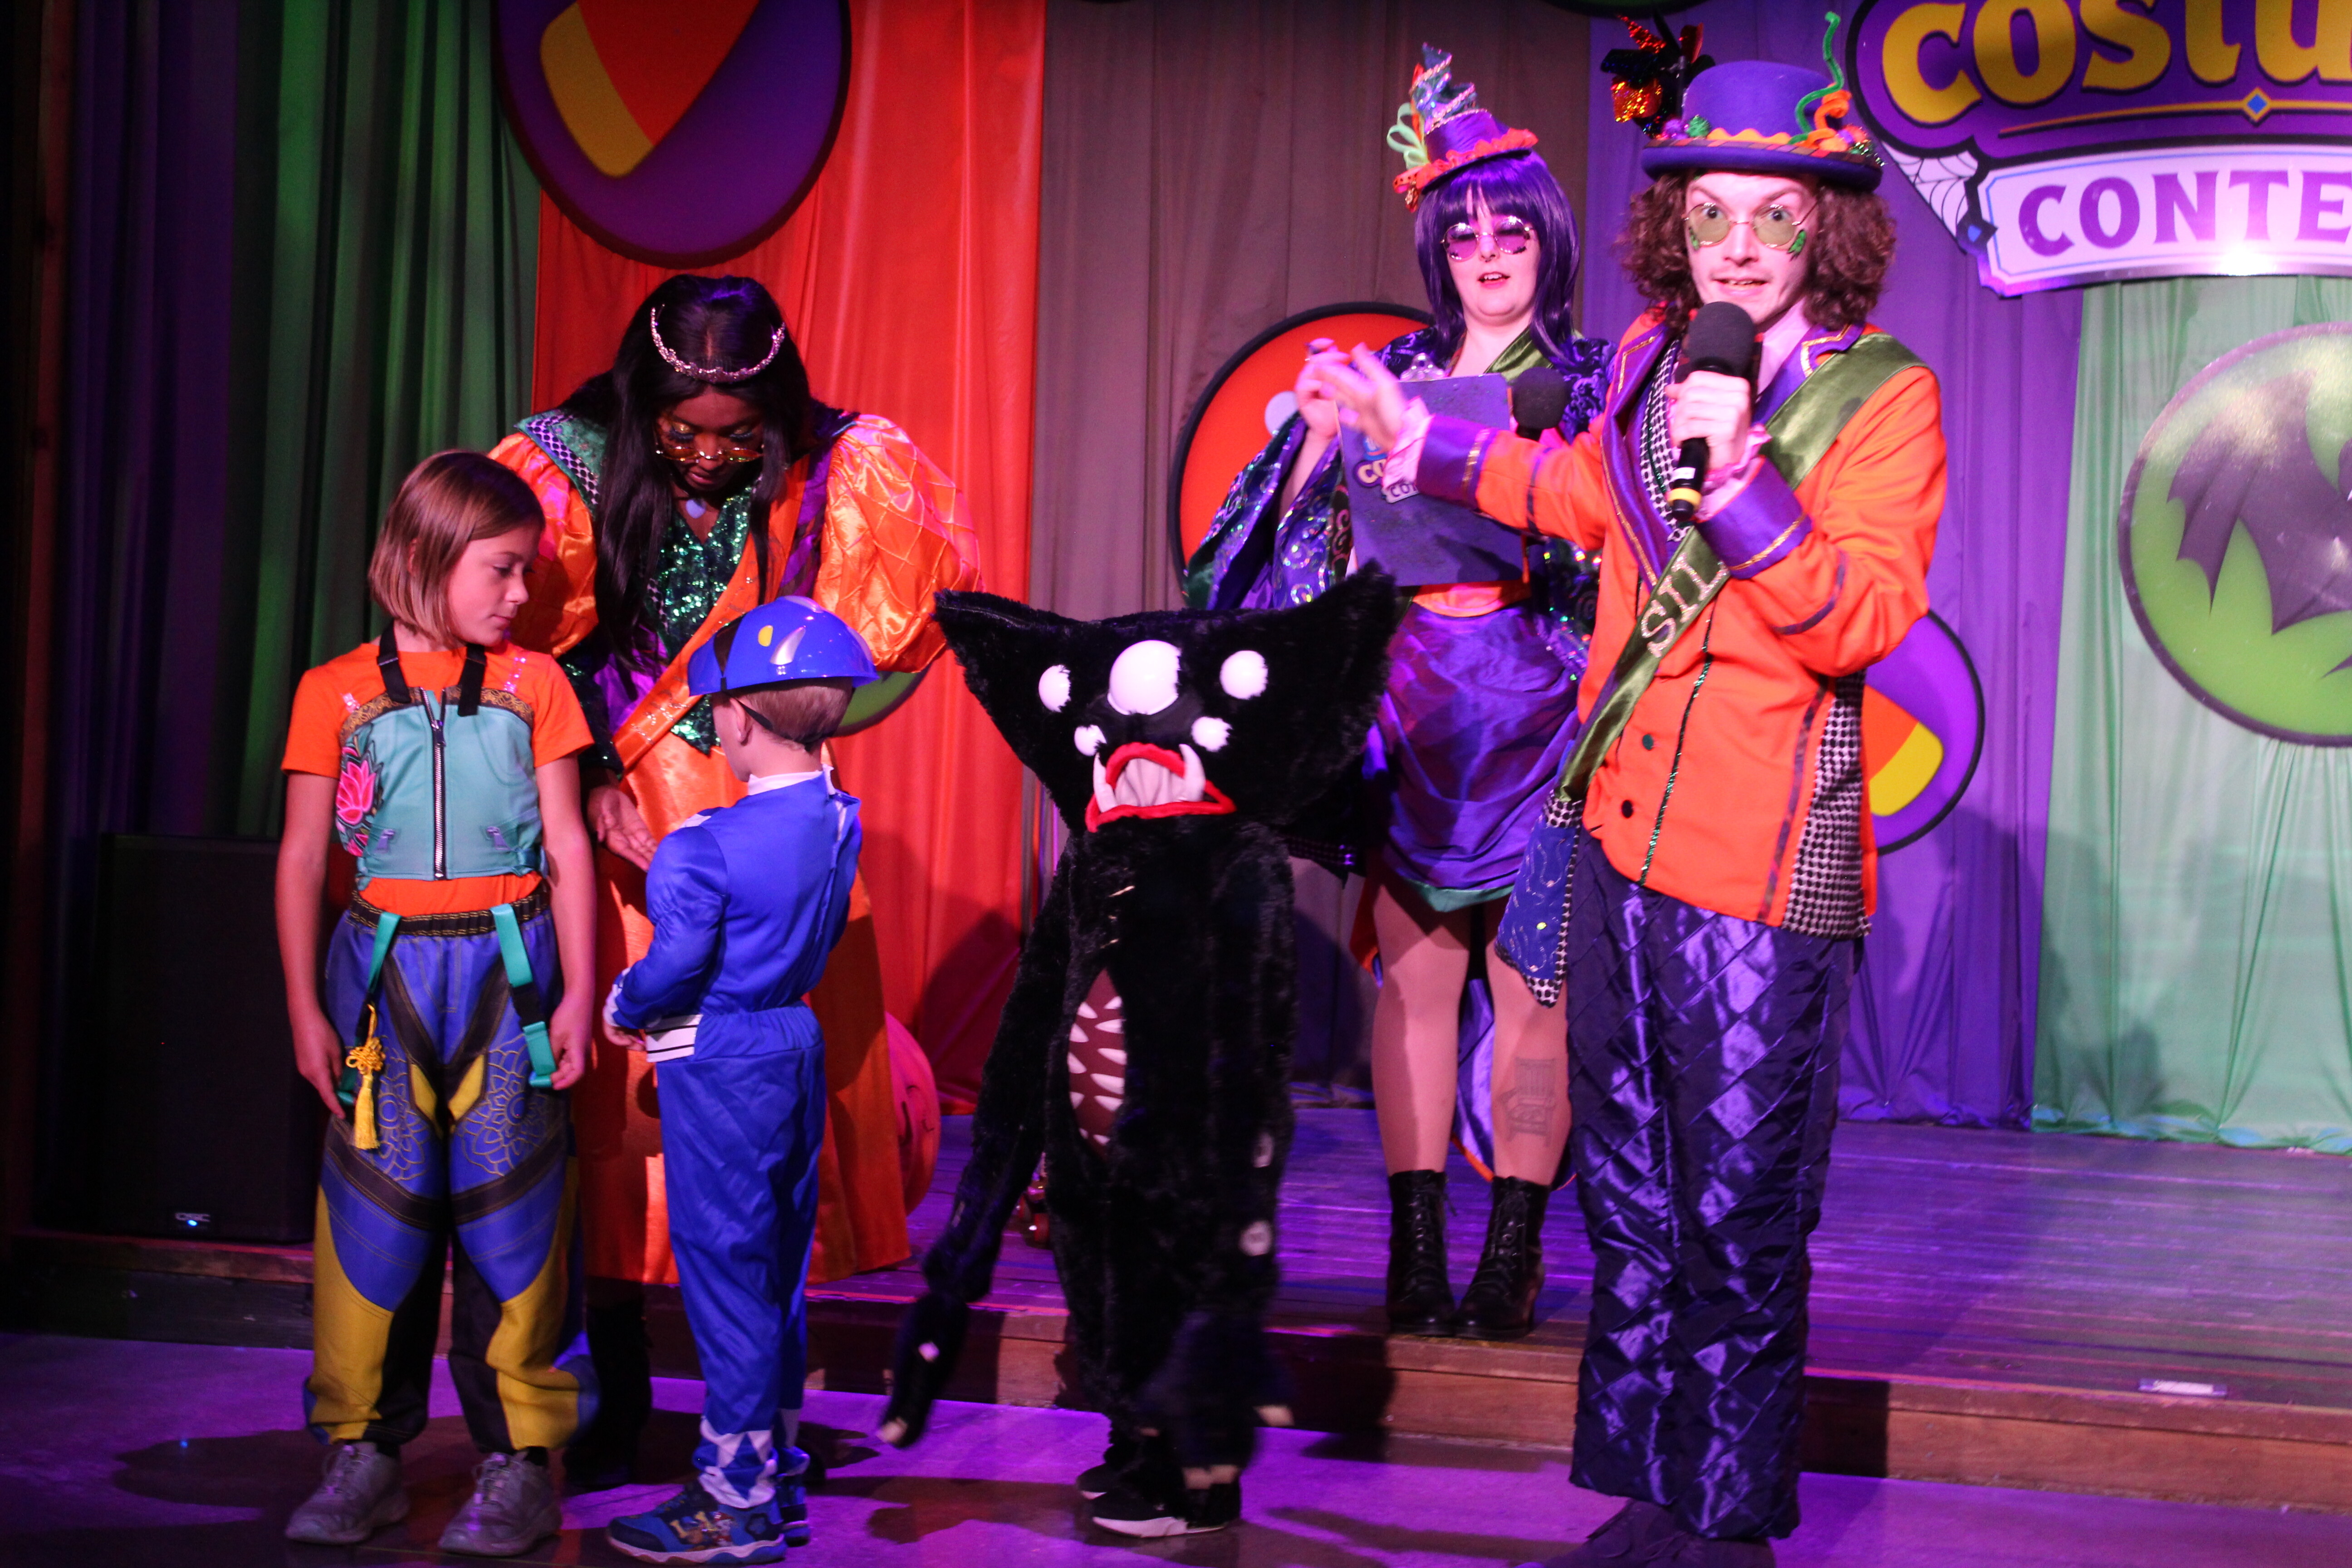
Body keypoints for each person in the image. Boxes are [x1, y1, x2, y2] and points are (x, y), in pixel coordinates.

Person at [1318, 56, 1944, 1566]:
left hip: (1766, 863)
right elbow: (1580, 498)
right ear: (1676, 224)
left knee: (1738, 1207)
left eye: (1776, 215)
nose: (1739, 245)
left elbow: (1861, 616)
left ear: (1829, 231)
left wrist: (1742, 488)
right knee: (1634, 1195)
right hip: (1619, 840)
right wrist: (1416, 441)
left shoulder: (1885, 397)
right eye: (1710, 211)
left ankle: (1728, 1521)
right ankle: (1654, 1495)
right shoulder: (1661, 352)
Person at [489, 274, 982, 1479]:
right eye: (682, 431)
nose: (710, 455)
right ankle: (617, 1397)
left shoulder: (842, 470)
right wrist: (584, 776)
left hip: (763, 826)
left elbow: (881, 647)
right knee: (619, 1128)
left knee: (764, 1153)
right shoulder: (563, 465)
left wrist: (801, 761)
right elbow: (507, 651)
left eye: (738, 433)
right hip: (612, 828)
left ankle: (757, 1422)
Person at [1187, 45, 1610, 1341]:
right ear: (1436, 246)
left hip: (1548, 714)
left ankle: (1513, 1251)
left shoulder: (1602, 383)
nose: (1489, 253)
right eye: (1464, 232)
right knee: (1417, 985)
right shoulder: (1387, 372)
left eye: (1511, 230)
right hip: (1416, 710)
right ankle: (1415, 1250)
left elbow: (1632, 545)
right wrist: (1314, 438)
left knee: (1535, 991)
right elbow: (1251, 554)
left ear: (1547, 239)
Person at [274, 452, 598, 1557]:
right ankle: (362, 1452)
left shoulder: (537, 685)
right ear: (425, 555)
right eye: (502, 569)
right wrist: (303, 1009)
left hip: (510, 981)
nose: (521, 593)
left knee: (516, 1213)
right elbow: (302, 855)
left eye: (527, 571)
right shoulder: (334, 692)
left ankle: (520, 1465)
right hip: (382, 981)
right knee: (374, 1213)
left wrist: (579, 993)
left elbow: (567, 845)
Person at [599, 596, 872, 1564]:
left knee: (726, 1276)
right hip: (794, 1041)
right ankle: (775, 1468)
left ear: (744, 720)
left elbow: (674, 968)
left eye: (717, 708)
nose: (714, 723)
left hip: (721, 1055)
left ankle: (736, 1501)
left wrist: (625, 1003)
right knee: (774, 1270)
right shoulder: (839, 818)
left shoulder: (702, 846)